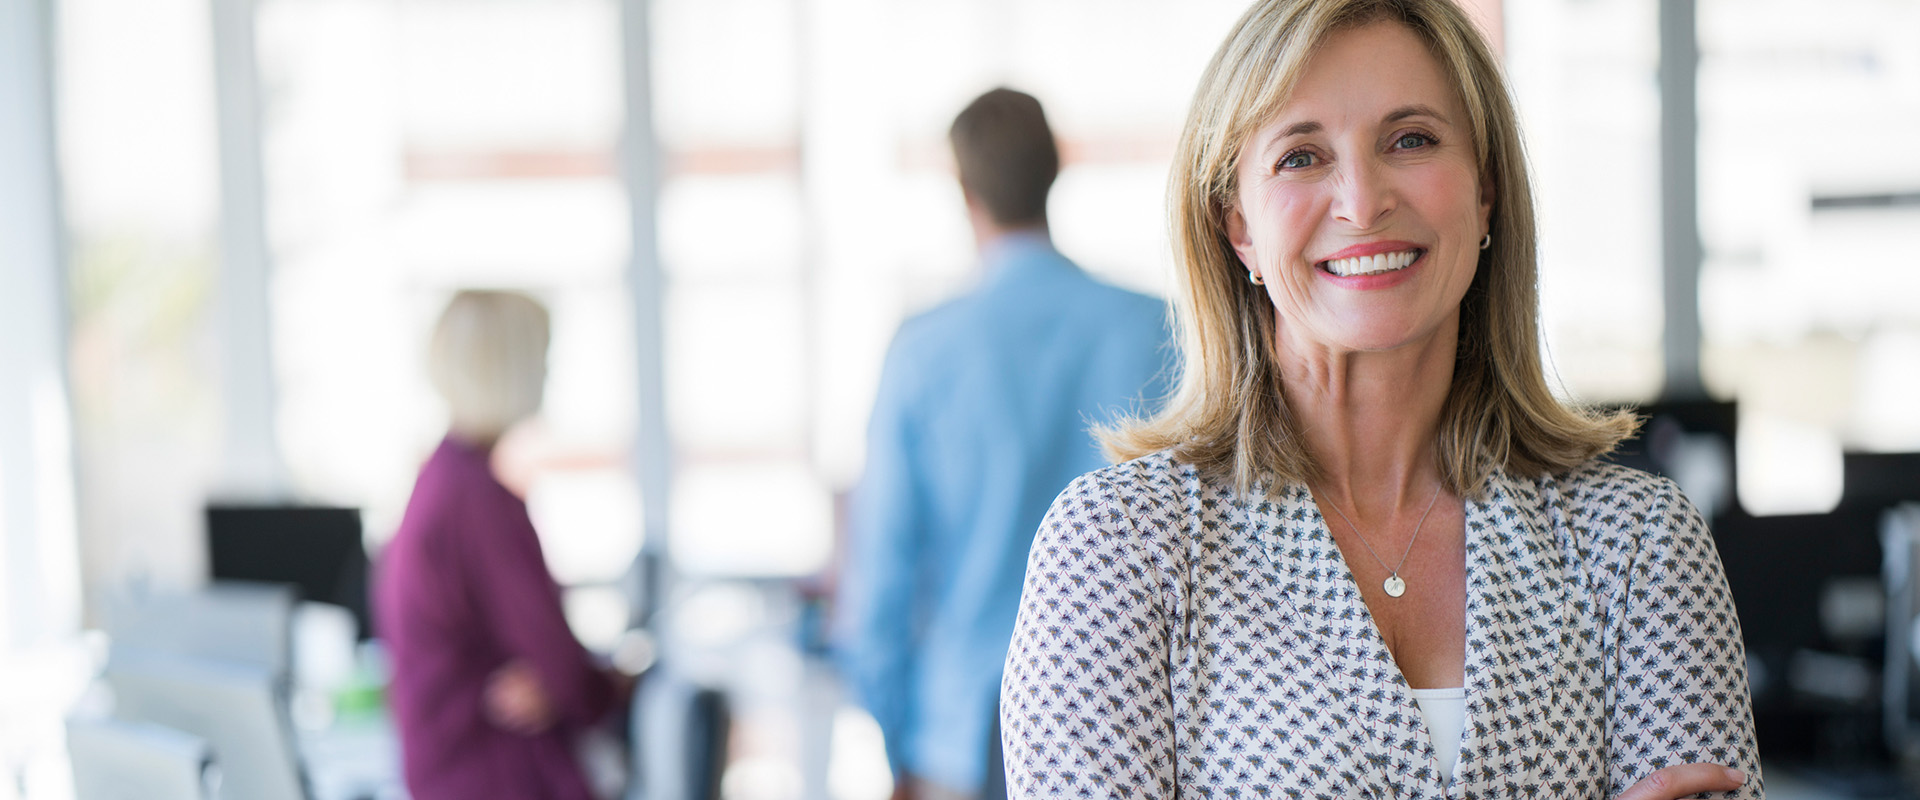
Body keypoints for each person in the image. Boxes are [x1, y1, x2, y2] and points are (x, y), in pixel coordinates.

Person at [999, 1, 1762, 798]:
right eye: (1300, 157)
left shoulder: (1637, 546)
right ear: (1239, 228)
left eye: (1411, 140)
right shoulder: (1119, 547)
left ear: (1487, 191)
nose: (1362, 203)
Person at [836, 88, 1175, 800]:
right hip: (1130, 723)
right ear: (1055, 170)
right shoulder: (1159, 328)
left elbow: (881, 580)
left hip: (959, 730)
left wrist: (901, 739)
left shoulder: (924, 352)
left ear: (964, 191)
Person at [374, 290, 628, 800]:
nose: (548, 378)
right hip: (494, 776)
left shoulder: (438, 480)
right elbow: (569, 678)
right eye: (542, 360)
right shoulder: (480, 502)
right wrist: (621, 680)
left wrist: (551, 680)